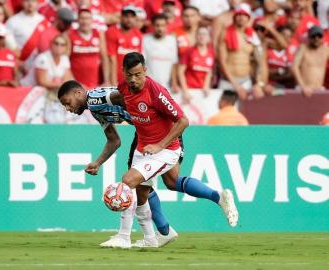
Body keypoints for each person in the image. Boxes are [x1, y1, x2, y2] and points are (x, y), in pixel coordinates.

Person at [57, 52, 239, 248]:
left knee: (131, 181)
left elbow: (125, 98)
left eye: (67, 102)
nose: (68, 108)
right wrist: (98, 162)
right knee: (168, 182)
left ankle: (126, 236)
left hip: (160, 134)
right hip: (146, 134)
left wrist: (146, 120)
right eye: (129, 76)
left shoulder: (95, 99)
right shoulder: (96, 108)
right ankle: (165, 230)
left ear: (78, 93)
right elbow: (114, 140)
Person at [218, 3, 265, 100]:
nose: (241, 18)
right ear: (234, 17)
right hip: (229, 82)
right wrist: (236, 86)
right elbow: (222, 61)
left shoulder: (252, 36)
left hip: (246, 81)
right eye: (238, 15)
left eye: (244, 15)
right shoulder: (226, 33)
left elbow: (259, 61)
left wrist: (258, 83)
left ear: (248, 18)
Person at [68, 8, 110, 88]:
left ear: (91, 20)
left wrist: (106, 80)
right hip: (76, 85)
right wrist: (72, 81)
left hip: (94, 84)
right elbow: (65, 61)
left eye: (87, 18)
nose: (85, 21)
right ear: (78, 20)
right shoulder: (71, 35)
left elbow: (104, 58)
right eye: (82, 18)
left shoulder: (98, 34)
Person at [6, 0, 50, 74]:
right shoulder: (12, 21)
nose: (30, 4)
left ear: (37, 3)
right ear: (22, 2)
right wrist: (17, 61)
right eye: (27, 1)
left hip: (39, 66)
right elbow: (7, 46)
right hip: (19, 66)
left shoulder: (44, 21)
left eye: (33, 1)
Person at [106, 5, 142, 85]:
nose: (129, 20)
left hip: (132, 80)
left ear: (135, 18)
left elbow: (138, 61)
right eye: (126, 16)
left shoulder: (138, 34)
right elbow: (111, 59)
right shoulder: (112, 31)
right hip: (116, 79)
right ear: (121, 17)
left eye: (132, 17)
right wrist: (113, 82)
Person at [143, 13, 178, 90]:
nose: (160, 28)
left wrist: (174, 83)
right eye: (157, 25)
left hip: (166, 86)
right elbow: (142, 64)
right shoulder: (145, 39)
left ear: (166, 26)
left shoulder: (172, 40)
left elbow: (174, 63)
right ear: (152, 26)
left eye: (163, 25)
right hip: (149, 86)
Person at [178, 26, 214, 101]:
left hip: (202, 92)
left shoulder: (211, 52)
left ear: (208, 37)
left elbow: (209, 71)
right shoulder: (188, 51)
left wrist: (206, 86)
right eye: (199, 34)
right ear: (196, 36)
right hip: (189, 90)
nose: (202, 36)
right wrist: (185, 91)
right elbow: (180, 72)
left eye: (204, 34)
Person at [292, 25, 329, 97]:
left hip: (319, 89)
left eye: (319, 36)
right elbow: (294, 67)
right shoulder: (303, 48)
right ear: (309, 37)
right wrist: (302, 86)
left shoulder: (326, 50)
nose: (316, 39)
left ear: (323, 38)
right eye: (314, 36)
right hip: (303, 90)